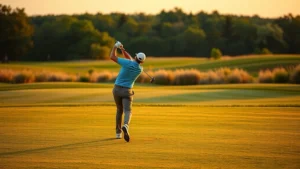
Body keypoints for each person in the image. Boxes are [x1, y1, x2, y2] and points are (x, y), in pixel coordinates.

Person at [110, 41, 146, 142]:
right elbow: (130, 59)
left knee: (119, 110)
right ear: (142, 61)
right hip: (127, 91)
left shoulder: (127, 63)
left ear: (135, 57)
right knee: (128, 111)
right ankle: (125, 125)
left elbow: (112, 57)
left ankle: (118, 133)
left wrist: (115, 47)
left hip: (117, 89)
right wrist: (122, 50)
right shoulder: (140, 69)